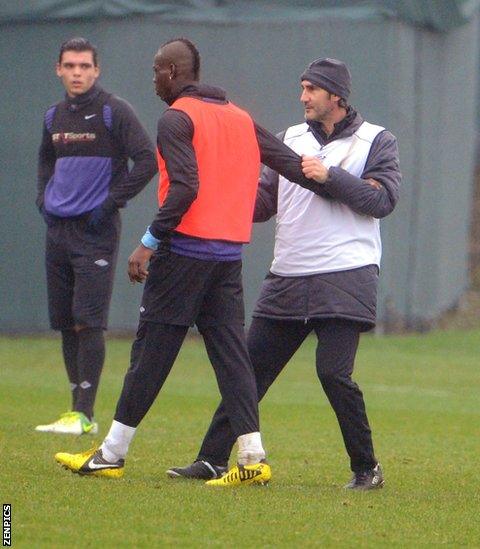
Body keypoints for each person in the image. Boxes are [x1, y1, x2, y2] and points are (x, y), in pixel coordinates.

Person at [55, 37, 334, 487]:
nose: (153, 81)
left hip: (183, 256)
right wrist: (346, 189)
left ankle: (111, 455)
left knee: (149, 357)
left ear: (171, 72)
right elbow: (293, 164)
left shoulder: (176, 118)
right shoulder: (240, 118)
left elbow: (184, 187)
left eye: (155, 72)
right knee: (232, 358)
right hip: (226, 258)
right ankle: (252, 457)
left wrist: (147, 241)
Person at [166, 57, 399, 490]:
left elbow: (381, 200)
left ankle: (367, 469)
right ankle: (212, 459)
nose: (303, 97)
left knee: (333, 373)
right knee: (249, 372)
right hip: (288, 274)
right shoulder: (288, 138)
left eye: (311, 89)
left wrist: (329, 176)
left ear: (337, 96)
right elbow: (262, 203)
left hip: (346, 274)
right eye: (302, 87)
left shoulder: (376, 140)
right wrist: (213, 196)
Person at [35, 37, 157, 435]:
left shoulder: (112, 111)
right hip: (59, 231)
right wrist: (44, 200)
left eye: (84, 66)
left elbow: (147, 160)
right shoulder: (53, 117)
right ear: (58, 69)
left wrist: (108, 205)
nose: (76, 73)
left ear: (96, 70)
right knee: (67, 321)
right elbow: (45, 161)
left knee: (89, 321)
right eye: (69, 66)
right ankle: (76, 412)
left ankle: (85, 414)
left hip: (96, 232)